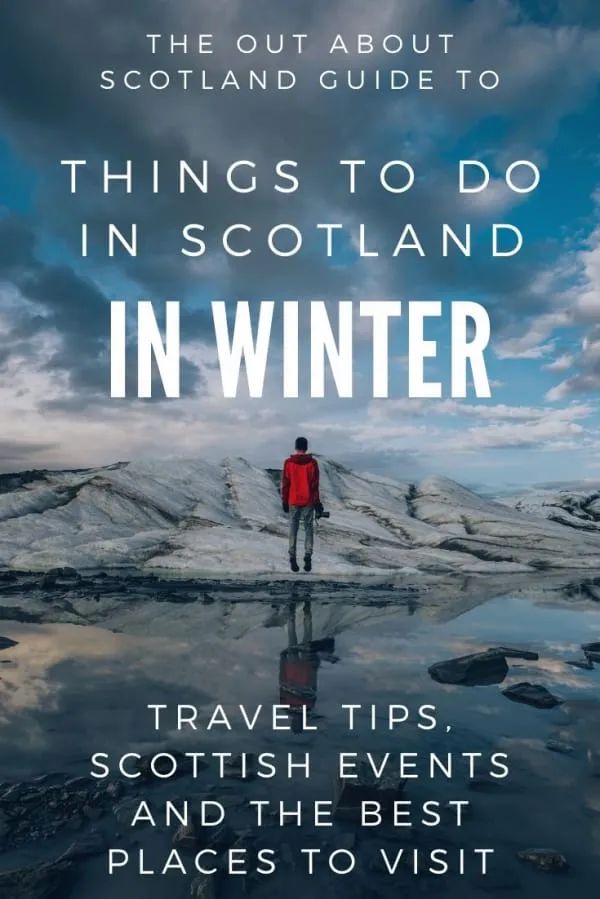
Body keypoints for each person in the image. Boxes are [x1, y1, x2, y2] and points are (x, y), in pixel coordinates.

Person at [281, 436, 323, 572]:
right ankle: (308, 556)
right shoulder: (312, 463)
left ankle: (292, 557)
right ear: (306, 447)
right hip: (308, 500)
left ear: (296, 447)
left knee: (293, 529)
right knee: (308, 529)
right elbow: (314, 485)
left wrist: (284, 500)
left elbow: (285, 484)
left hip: (293, 500)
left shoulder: (288, 463)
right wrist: (317, 502)